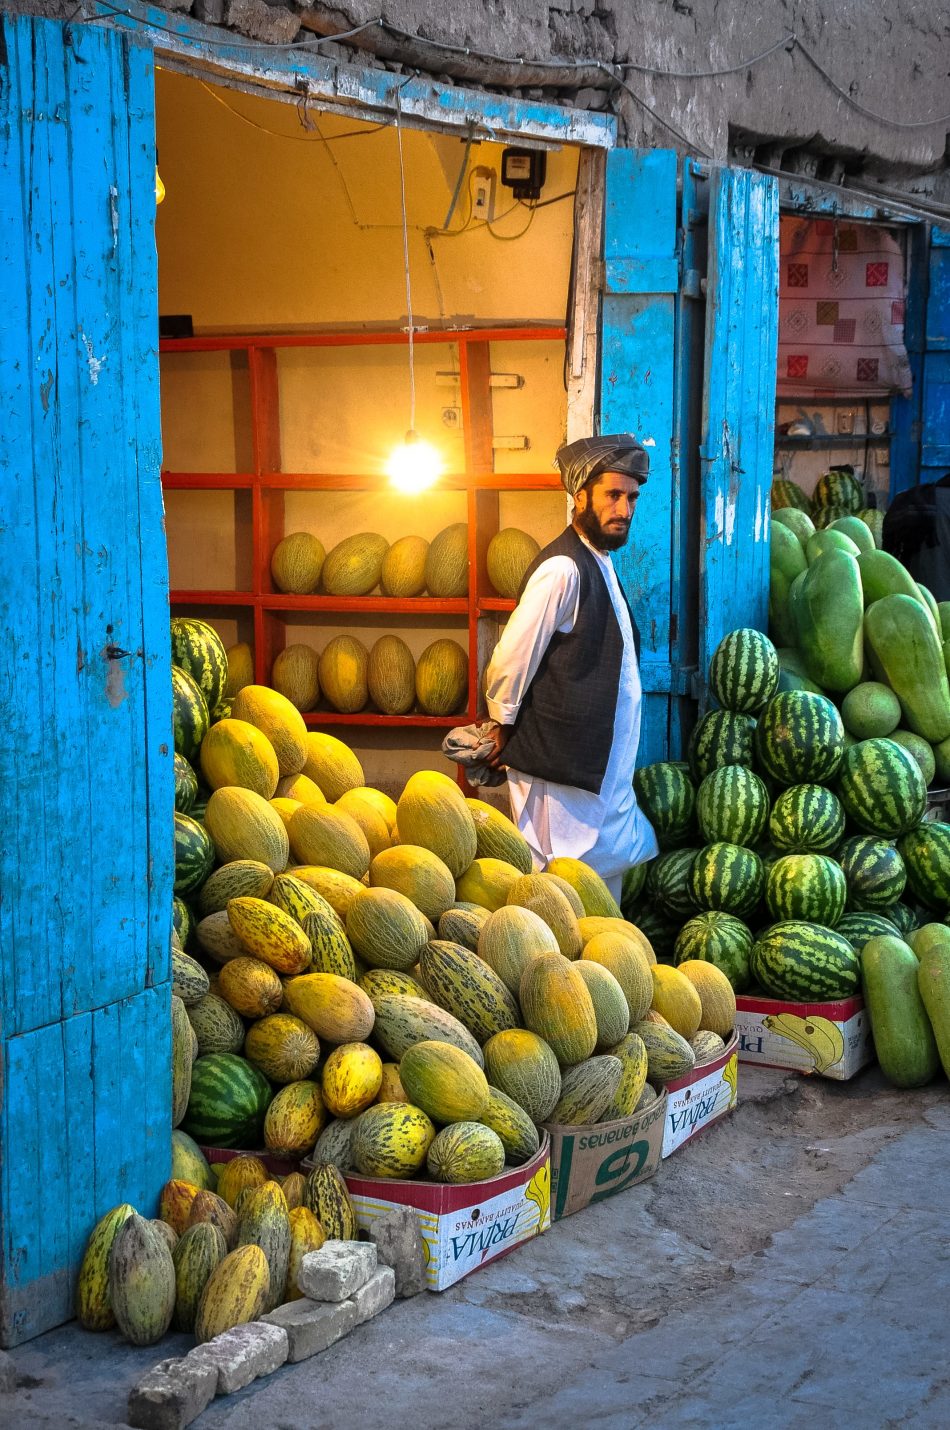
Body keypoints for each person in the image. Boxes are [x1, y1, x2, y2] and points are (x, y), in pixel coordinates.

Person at [481, 433, 659, 902]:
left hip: (596, 770)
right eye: (613, 496)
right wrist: (501, 724)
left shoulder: (598, 561)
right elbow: (512, 655)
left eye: (631, 498)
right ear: (580, 497)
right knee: (561, 888)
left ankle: (603, 971)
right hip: (562, 772)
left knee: (596, 890)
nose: (623, 509)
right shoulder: (562, 568)